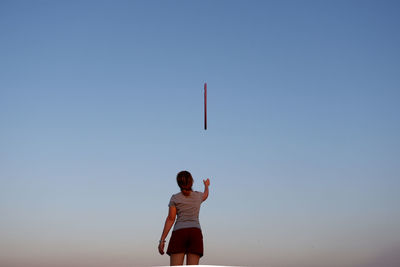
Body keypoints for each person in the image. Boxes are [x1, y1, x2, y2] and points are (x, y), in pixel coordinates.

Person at [158, 170, 210, 266]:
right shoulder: (198, 196)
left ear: (178, 183)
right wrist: (206, 185)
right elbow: (206, 194)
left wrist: (162, 240)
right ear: (192, 182)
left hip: (179, 233)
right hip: (195, 233)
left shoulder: (175, 198)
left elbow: (171, 218)